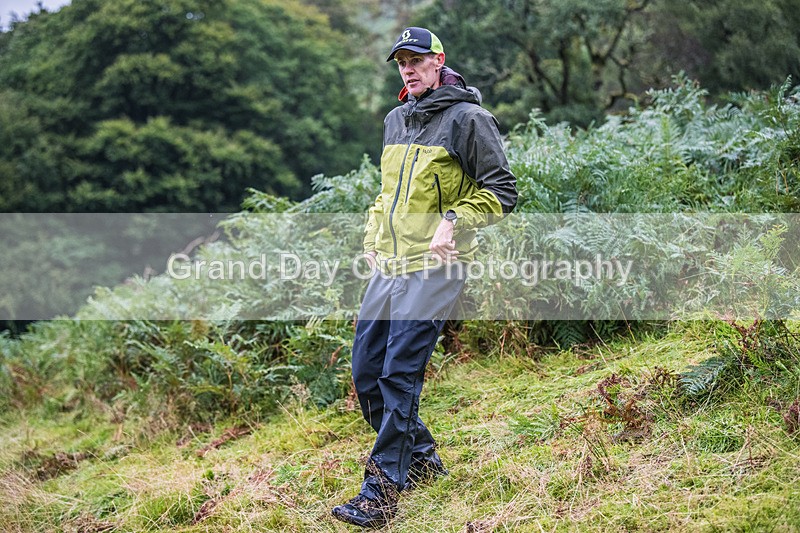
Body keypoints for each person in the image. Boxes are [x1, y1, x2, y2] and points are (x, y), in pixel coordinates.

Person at [331, 26, 517, 529]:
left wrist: (454, 220)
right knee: (367, 373)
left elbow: (502, 190)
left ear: (439, 61)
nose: (408, 69)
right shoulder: (396, 120)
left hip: (436, 267)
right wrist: (372, 237)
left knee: (398, 375)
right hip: (388, 267)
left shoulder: (469, 120)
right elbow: (386, 193)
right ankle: (423, 458)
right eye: (401, 62)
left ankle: (381, 493)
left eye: (416, 59)